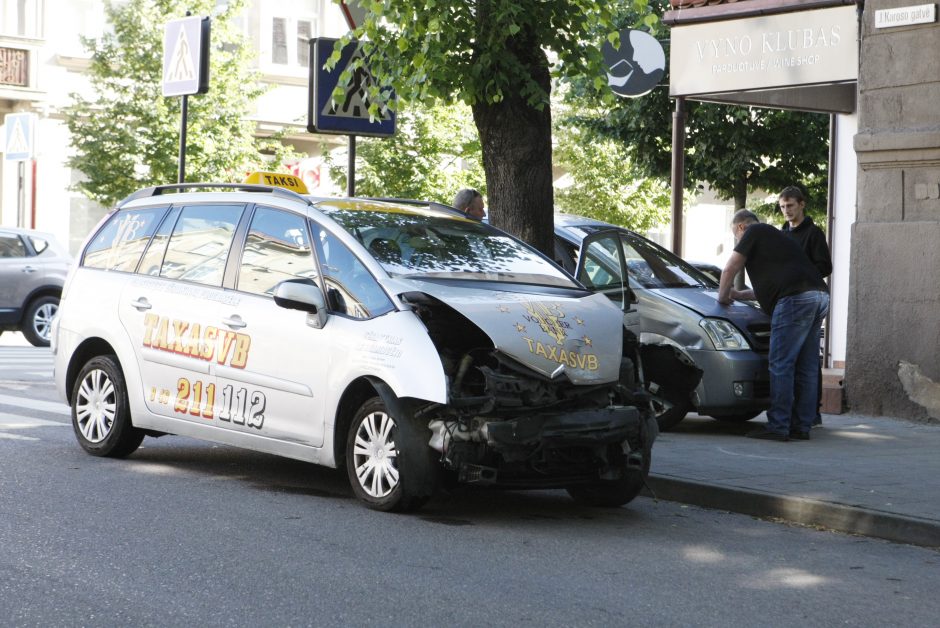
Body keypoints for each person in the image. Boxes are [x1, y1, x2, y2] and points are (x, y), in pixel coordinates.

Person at [718, 210, 829, 441]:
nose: (737, 241)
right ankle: (801, 426)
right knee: (807, 367)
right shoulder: (779, 238)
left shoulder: (753, 230)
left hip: (796, 300)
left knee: (781, 363)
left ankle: (778, 425)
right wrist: (740, 294)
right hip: (818, 296)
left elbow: (730, 268)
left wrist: (723, 296)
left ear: (740, 228)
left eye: (735, 236)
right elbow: (775, 284)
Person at [779, 186, 833, 427]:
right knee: (805, 359)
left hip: (808, 297)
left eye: (790, 206)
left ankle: (810, 414)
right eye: (782, 207)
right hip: (791, 296)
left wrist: (802, 274)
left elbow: (825, 266)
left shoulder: (813, 233)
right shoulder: (783, 232)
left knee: (804, 361)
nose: (786, 211)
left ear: (802, 204)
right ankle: (807, 414)